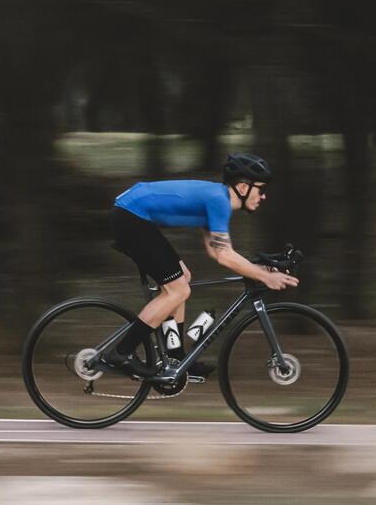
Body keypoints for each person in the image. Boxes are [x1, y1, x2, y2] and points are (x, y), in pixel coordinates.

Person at [100, 152, 299, 379]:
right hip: (131, 217)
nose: (263, 197)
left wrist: (259, 270)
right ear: (243, 188)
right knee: (178, 290)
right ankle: (121, 352)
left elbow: (216, 251)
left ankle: (176, 358)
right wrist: (264, 277)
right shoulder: (219, 201)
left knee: (182, 278)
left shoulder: (217, 200)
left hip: (134, 215)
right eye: (260, 189)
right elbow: (225, 255)